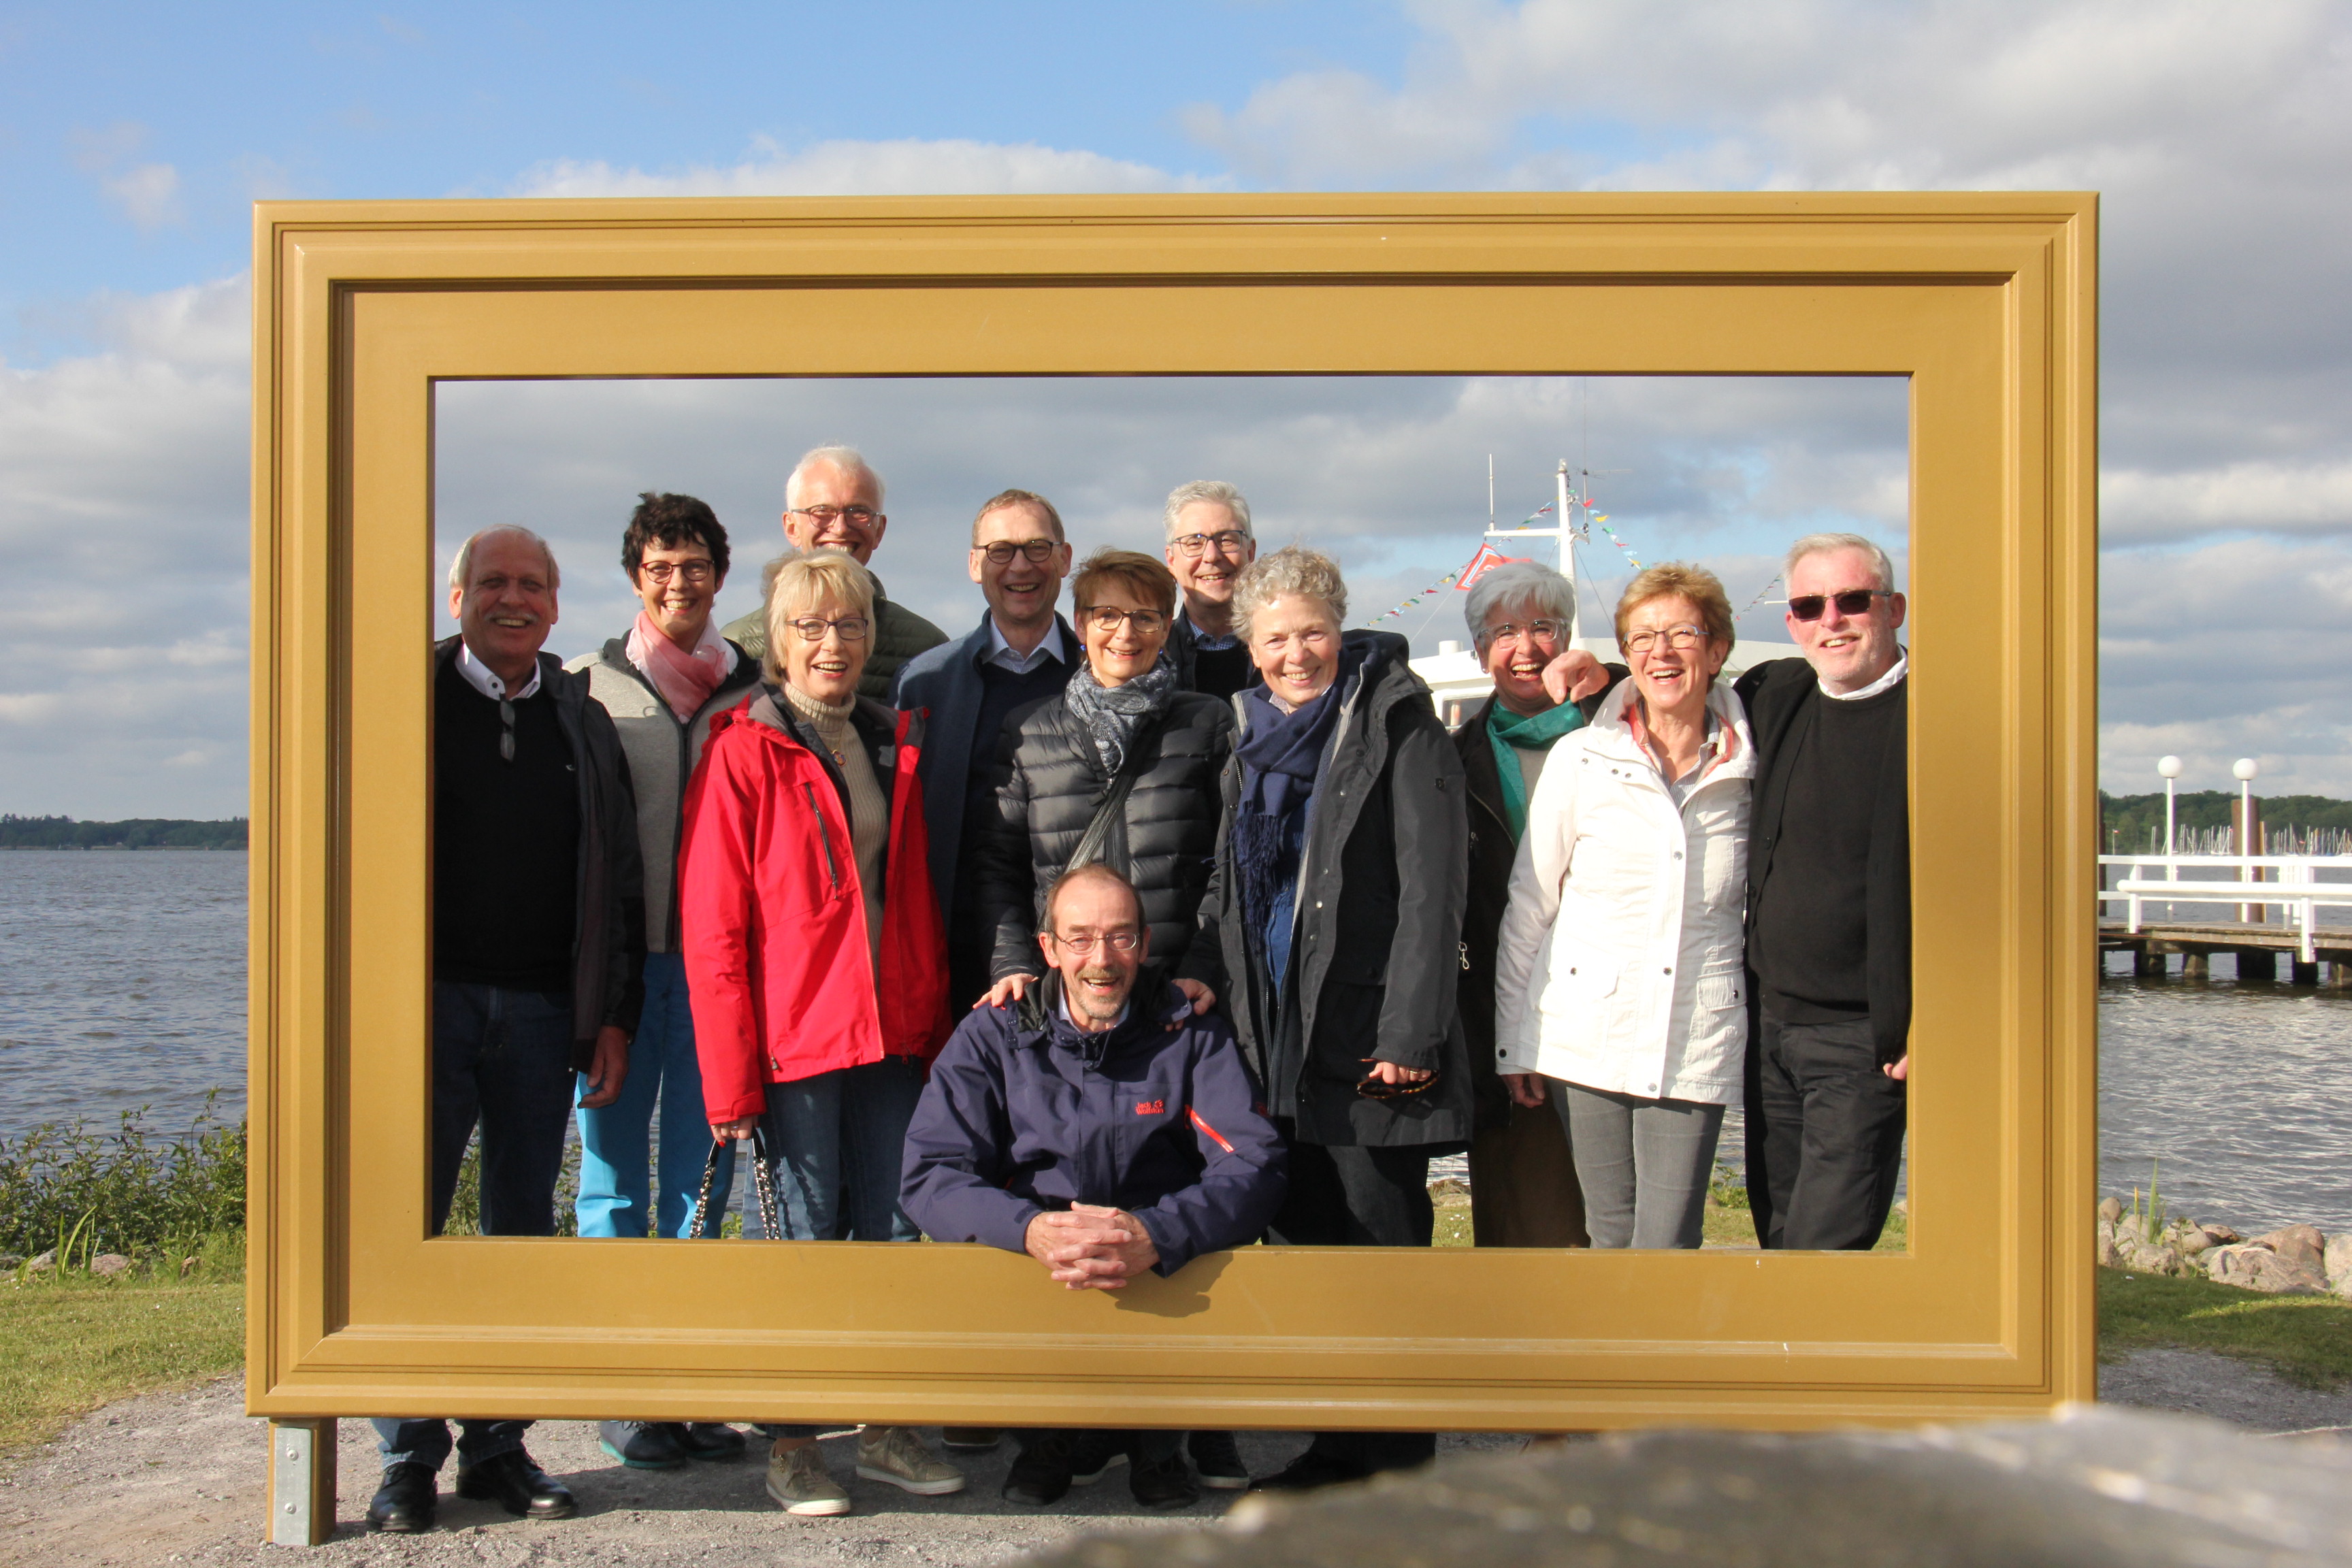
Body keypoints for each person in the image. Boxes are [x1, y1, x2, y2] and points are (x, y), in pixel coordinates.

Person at [369, 526, 643, 1535]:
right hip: (421, 1009)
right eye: (494, 583)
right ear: (458, 598)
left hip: (539, 1015)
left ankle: (497, 1444)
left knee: (520, 1236)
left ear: (558, 606)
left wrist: (611, 1017)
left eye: (533, 585)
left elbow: (617, 879)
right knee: (408, 1235)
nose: (513, 599)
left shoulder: (584, 717)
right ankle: (406, 1454)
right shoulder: (400, 701)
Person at [680, 548, 962, 1517]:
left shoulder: (889, 738)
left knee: (891, 1227)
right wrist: (728, 1083)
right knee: (795, 1238)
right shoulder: (743, 749)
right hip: (792, 1042)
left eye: (848, 625)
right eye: (809, 626)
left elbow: (905, 896)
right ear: (777, 641)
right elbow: (712, 930)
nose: (831, 643)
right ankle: (793, 1445)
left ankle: (887, 1429)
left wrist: (930, 1022)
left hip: (891, 1033)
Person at [1184, 546, 1473, 1492]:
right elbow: (1229, 888)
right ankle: (1336, 1442)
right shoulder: (1244, 734)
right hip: (1273, 1035)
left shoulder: (1397, 723)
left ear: (1340, 629)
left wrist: (1410, 1032)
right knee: (1307, 1237)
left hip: (1364, 1033)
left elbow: (1436, 890)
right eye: (1275, 638)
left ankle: (1390, 1457)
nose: (1295, 654)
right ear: (1249, 644)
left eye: (1312, 632)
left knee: (1380, 1241)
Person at [901, 863, 1286, 1511]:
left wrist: (1160, 1233)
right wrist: (1027, 1230)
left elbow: (1254, 1164)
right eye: (1080, 939)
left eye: (1121, 938)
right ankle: (1051, 1436)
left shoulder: (1190, 1033)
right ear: (1048, 948)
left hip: (1158, 1265)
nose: (1101, 960)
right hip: (1040, 1267)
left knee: (1190, 1237)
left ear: (1145, 942)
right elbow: (930, 1172)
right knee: (996, 1232)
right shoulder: (996, 1034)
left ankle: (1159, 1440)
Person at [566, 493, 760, 1472]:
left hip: (720, 974)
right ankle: (622, 1390)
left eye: (693, 565)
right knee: (610, 1182)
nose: (677, 582)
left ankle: (684, 1386)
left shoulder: (752, 691)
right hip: (617, 975)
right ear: (636, 577)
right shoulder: (587, 687)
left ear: (720, 574)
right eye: (658, 566)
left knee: (702, 1178)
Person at [1493, 564, 1757, 1252]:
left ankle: (1669, 1363)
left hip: (1696, 1027)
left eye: (1682, 634)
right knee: (1609, 1231)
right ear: (1626, 656)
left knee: (1670, 1239)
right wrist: (1512, 1038)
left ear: (1720, 647)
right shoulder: (1582, 757)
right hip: (1586, 1027)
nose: (1661, 653)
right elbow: (1532, 902)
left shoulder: (1753, 767)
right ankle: (1614, 1363)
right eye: (1642, 638)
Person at [1735, 533, 1912, 1251]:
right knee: (1775, 1227)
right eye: (1810, 606)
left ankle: (1814, 1364)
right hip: (1769, 1024)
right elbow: (1673, 681)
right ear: (1791, 624)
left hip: (1862, 1037)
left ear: (1893, 608)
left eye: (1852, 601)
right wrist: (1599, 671)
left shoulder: (1945, 721)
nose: (1831, 620)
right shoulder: (1775, 695)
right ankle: (1788, 1364)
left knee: (1824, 1245)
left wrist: (1932, 1015)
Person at [973, 548, 1230, 1012]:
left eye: (1146, 618)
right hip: (1065, 992)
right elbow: (997, 866)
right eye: (1107, 615)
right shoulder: (1028, 730)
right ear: (1081, 622)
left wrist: (1203, 964)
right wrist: (1012, 963)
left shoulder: (1207, 722)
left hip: (1176, 994)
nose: (1126, 633)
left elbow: (1231, 861)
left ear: (1167, 627)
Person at [1452, 563, 1619, 1249]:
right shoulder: (1451, 762)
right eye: (1504, 633)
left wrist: (1610, 681)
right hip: (1509, 1011)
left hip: (1615, 1007)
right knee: (1527, 1221)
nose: (1526, 649)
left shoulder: (1621, 725)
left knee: (1627, 1216)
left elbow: (1700, 694)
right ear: (1479, 651)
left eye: (1543, 628)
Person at [894, 489, 1080, 1012]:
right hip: (949, 949)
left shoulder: (1101, 677)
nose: (1020, 566)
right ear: (975, 565)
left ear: (1064, 559)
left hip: (1072, 952)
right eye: (1000, 551)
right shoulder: (924, 683)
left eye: (1037, 548)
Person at [720, 445, 947, 700]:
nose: (840, 528)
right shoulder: (734, 647)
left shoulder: (929, 650)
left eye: (858, 512)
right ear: (791, 526)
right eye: (822, 512)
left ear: (879, 530)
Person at [1161, 479, 1259, 701]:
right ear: (1172, 559)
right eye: (1194, 543)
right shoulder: (1150, 659)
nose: (1212, 555)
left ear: (1250, 552)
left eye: (1226, 540)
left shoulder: (1286, 656)